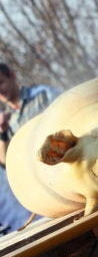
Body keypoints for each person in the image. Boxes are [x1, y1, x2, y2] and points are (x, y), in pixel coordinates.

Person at [0, 63, 61, 234]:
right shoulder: (7, 121)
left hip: (69, 173)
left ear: (12, 75)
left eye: (1, 83)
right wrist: (3, 133)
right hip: (47, 192)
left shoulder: (43, 94)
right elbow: (6, 163)